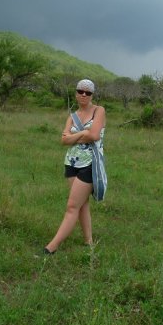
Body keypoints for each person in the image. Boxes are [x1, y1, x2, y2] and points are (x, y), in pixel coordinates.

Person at [44, 79, 106, 254]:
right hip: (71, 162)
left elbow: (94, 135)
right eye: (81, 91)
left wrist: (74, 135)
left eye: (88, 92)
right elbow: (64, 140)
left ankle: (51, 247)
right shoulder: (72, 116)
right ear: (76, 93)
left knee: (72, 206)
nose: (84, 95)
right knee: (82, 204)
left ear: (93, 95)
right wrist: (83, 133)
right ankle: (89, 242)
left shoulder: (99, 111)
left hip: (90, 164)